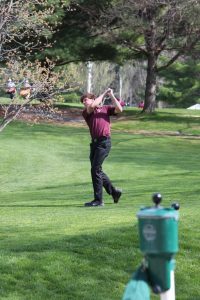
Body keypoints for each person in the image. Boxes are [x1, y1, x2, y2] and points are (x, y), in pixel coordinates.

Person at [80, 88, 123, 207]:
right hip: (94, 144)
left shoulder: (106, 109)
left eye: (86, 100)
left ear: (93, 98)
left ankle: (98, 200)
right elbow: (93, 105)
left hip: (104, 142)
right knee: (97, 170)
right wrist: (104, 93)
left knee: (95, 169)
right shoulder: (87, 111)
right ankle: (114, 192)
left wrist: (112, 96)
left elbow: (120, 109)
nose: (84, 102)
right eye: (83, 101)